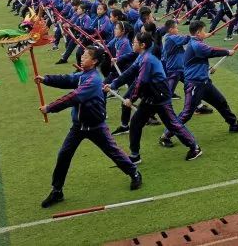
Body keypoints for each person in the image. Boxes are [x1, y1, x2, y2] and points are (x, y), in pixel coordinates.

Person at [36, 46, 141, 208]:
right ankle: (57, 191)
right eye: (83, 55)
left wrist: (50, 107)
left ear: (94, 62)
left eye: (86, 56)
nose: (82, 58)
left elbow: (73, 97)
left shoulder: (94, 80)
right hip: (78, 127)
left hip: (95, 126)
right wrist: (46, 79)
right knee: (64, 154)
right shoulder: (83, 75)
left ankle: (134, 172)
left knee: (113, 151)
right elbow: (67, 79)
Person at [106, 33, 199, 163]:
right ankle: (135, 155)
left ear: (143, 45)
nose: (133, 44)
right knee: (136, 123)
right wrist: (113, 84)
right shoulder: (141, 56)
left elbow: (141, 82)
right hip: (150, 96)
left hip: (160, 96)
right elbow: (130, 72)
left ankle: (194, 147)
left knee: (172, 124)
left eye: (135, 42)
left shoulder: (147, 59)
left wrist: (131, 99)